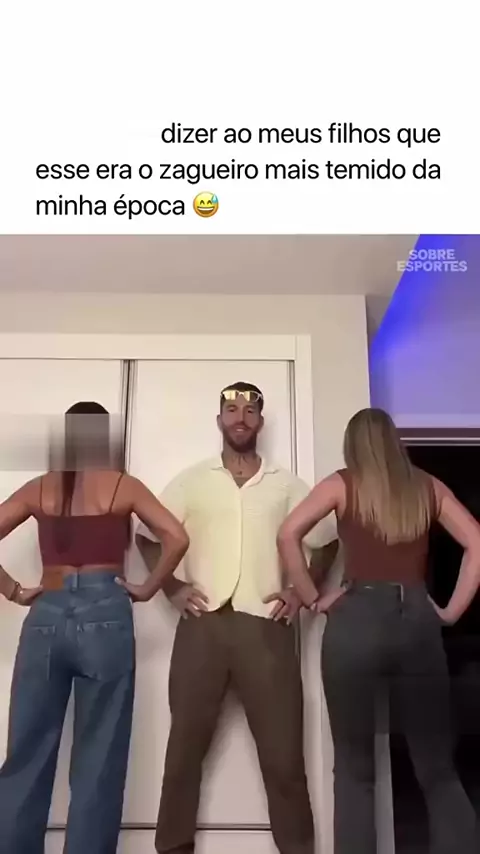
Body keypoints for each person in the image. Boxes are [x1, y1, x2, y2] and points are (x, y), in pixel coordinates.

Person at [136, 381, 338, 854]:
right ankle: (173, 846)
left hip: (266, 628)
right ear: (220, 419)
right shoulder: (192, 480)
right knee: (184, 751)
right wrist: (172, 587)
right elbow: (147, 535)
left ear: (260, 422)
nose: (240, 418)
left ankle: (297, 848)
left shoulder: (287, 484)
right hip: (201, 626)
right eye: (231, 410)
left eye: (249, 411)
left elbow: (327, 540)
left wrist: (300, 590)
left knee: (284, 756)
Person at [277, 407, 480, 854]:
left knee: (354, 768)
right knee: (437, 767)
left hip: (357, 619)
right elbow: (476, 541)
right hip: (417, 622)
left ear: (352, 445)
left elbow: (288, 533)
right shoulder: (427, 487)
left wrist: (312, 597)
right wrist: (449, 613)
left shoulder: (342, 483)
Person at [0, 401, 189, 854]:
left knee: (27, 749)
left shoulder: (39, 487)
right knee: (99, 755)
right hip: (106, 612)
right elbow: (177, 537)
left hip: (46, 614)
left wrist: (13, 590)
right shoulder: (123, 485)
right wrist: (147, 588)